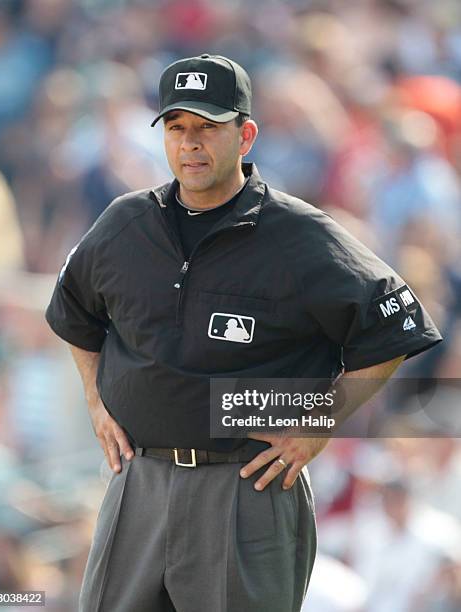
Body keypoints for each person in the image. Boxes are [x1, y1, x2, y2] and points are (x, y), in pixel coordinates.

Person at [45, 54, 443, 612]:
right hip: (140, 479)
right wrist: (95, 397)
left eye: (208, 127)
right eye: (178, 128)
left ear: (246, 134)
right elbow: (73, 312)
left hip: (244, 488)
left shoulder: (301, 235)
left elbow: (397, 326)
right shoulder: (125, 223)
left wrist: (317, 421)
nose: (191, 143)